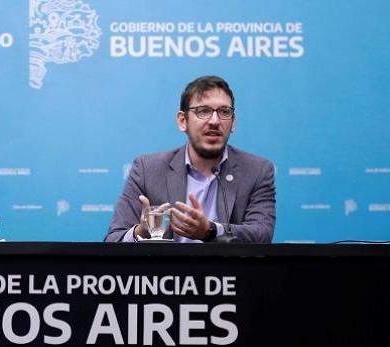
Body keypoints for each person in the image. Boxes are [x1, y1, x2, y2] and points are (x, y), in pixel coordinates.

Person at [105, 75, 275, 244]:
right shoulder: (147, 169)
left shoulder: (257, 170)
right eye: (203, 111)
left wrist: (210, 230)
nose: (215, 121)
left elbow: (261, 235)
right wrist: (141, 232)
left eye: (224, 112)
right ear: (182, 121)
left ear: (233, 122)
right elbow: (113, 240)